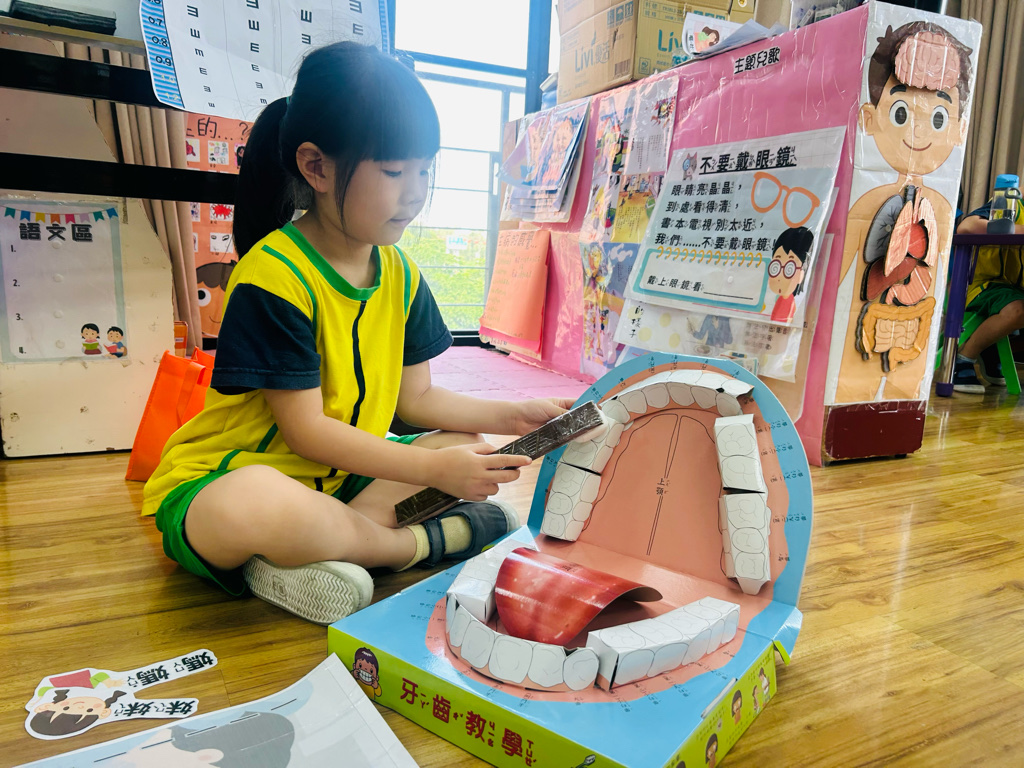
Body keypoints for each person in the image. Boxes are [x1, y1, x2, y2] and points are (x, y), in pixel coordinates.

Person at [142, 42, 571, 625]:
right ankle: (406, 547)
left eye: (424, 170)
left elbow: (415, 402)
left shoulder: (401, 274)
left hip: (343, 483)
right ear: (316, 168)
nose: (415, 192)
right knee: (252, 503)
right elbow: (307, 433)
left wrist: (514, 417)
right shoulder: (273, 277)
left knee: (463, 444)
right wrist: (432, 475)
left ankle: (318, 549)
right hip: (230, 480)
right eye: (394, 172)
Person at [951, 198, 1024, 393]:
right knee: (1019, 309)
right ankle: (964, 357)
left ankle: (989, 348)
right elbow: (967, 227)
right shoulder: (1010, 202)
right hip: (984, 284)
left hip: (1014, 289)